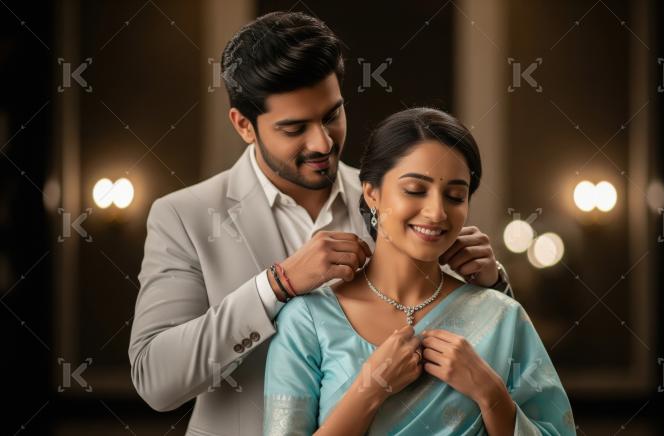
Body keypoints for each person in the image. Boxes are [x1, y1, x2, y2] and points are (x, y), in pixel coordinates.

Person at [129, 12, 514, 436]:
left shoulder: (395, 200)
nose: (322, 143)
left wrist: (493, 286)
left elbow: (480, 339)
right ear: (244, 125)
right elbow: (156, 382)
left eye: (332, 115)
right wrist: (276, 285)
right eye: (294, 128)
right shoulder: (183, 216)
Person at [263, 108, 575, 435]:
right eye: (415, 190)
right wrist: (370, 391)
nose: (437, 212)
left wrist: (490, 393)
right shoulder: (308, 319)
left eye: (455, 195)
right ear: (371, 193)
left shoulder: (500, 316)